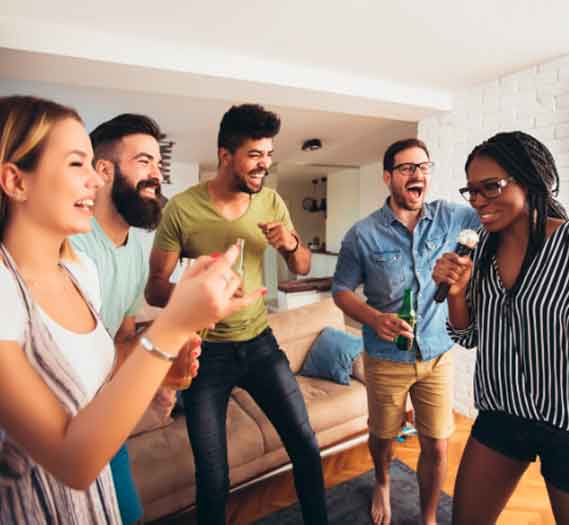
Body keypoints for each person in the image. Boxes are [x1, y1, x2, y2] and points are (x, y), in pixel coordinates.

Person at [0, 95, 259, 523]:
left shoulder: (76, 272)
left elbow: (109, 359)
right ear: (16, 180)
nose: (94, 180)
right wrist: (173, 325)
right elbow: (71, 461)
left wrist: (164, 367)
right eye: (75, 163)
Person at [432, 131, 569, 525]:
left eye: (491, 187)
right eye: (472, 191)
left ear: (532, 178)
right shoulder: (480, 248)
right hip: (502, 413)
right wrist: (457, 293)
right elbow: (468, 337)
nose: (479, 200)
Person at [145, 103, 327, 525]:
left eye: (268, 154)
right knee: (213, 476)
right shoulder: (182, 210)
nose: (264, 165)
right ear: (226, 155)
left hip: (261, 345)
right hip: (206, 355)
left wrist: (290, 245)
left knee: (304, 444)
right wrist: (202, 291)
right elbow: (155, 289)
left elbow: (302, 267)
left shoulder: (272, 203)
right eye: (254, 155)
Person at [332, 138, 480, 525]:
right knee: (383, 436)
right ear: (387, 177)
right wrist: (374, 318)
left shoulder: (453, 217)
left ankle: (429, 517)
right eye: (407, 168)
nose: (418, 175)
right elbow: (341, 291)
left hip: (438, 353)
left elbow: (494, 215)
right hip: (385, 358)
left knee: (437, 442)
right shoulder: (362, 234)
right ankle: (381, 480)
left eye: (424, 167)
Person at [70, 113, 175, 525]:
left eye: (158, 164)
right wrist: (172, 333)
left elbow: (124, 331)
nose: (157, 174)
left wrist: (151, 384)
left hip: (103, 409)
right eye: (144, 161)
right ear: (103, 170)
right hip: (63, 417)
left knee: (126, 513)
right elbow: (85, 359)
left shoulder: (138, 248)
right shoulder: (71, 245)